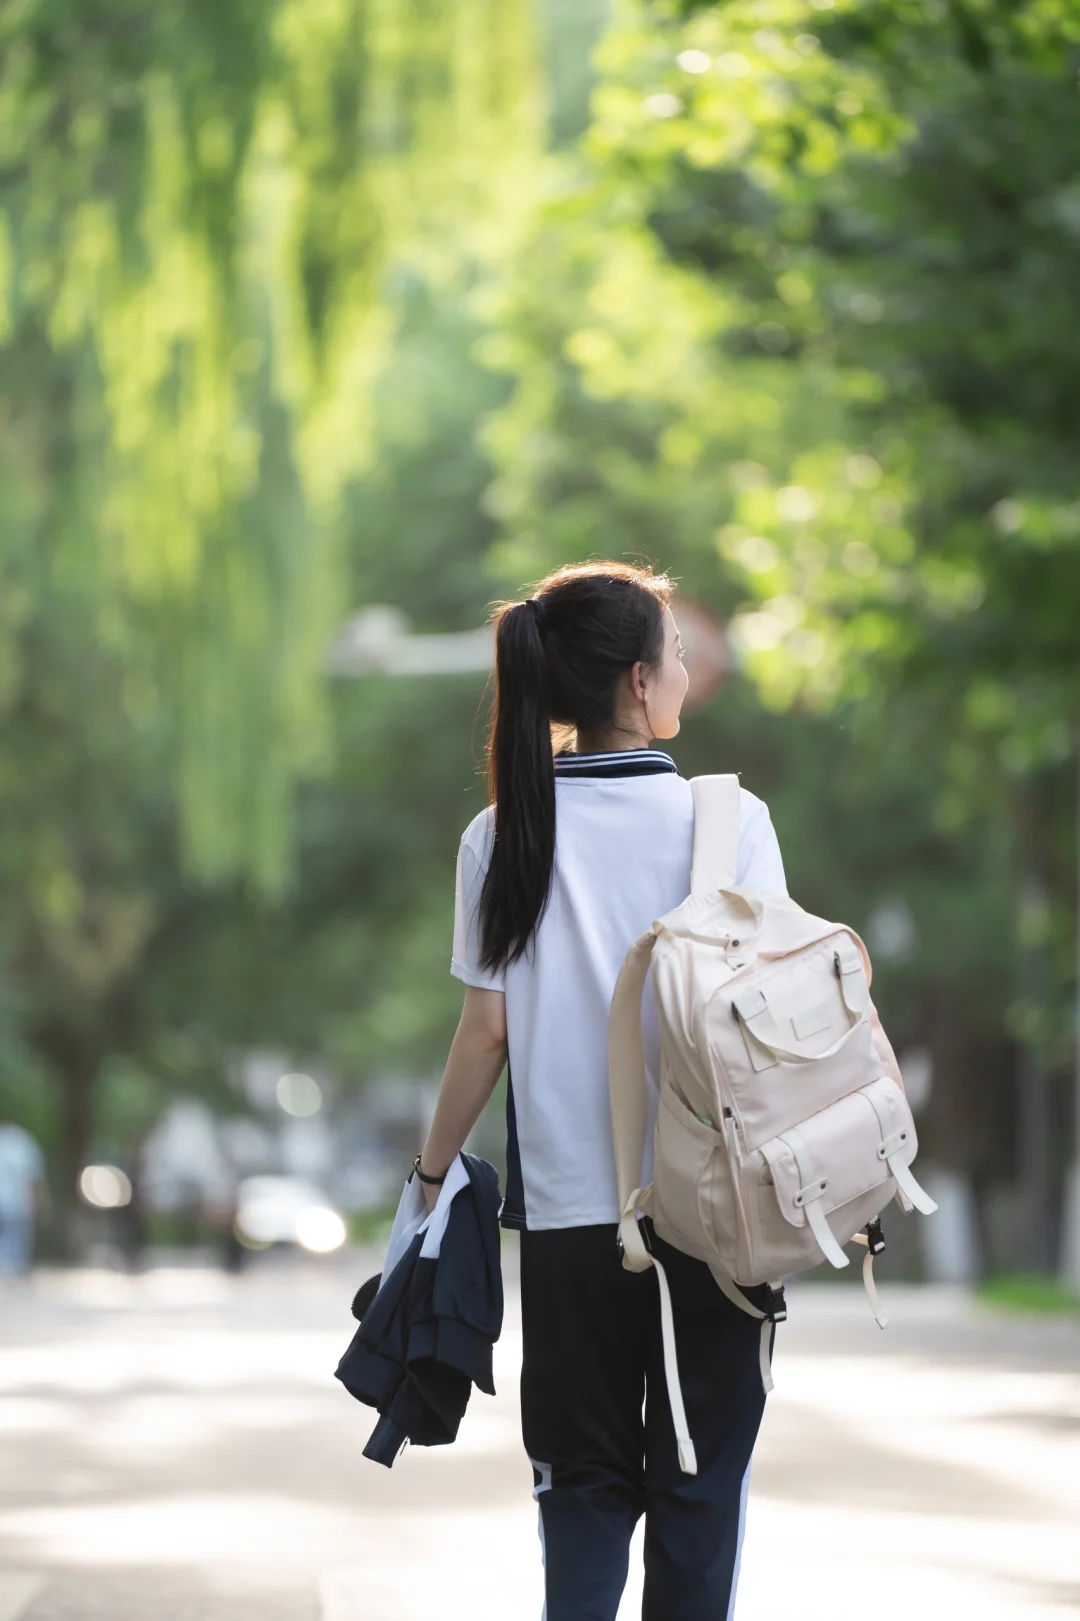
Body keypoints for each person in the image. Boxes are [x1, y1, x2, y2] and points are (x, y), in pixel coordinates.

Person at [416, 562, 789, 1621]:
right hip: (715, 1218)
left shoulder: (500, 835)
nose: (683, 670)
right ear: (637, 680)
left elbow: (485, 1032)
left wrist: (429, 1178)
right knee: (699, 1489)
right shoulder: (728, 823)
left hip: (575, 1218)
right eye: (673, 652)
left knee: (578, 1487)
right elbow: (770, 1020)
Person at [0, 1115, 46, 1276]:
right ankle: (13, 1272)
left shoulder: (22, 1143)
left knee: (12, 1240)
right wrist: (38, 1202)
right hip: (18, 1203)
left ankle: (9, 1272)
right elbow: (33, 1178)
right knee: (17, 1241)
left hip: (14, 1203)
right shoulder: (24, 1143)